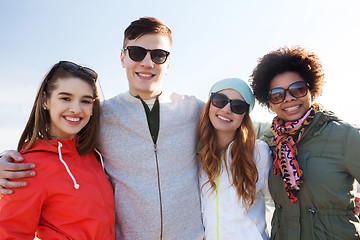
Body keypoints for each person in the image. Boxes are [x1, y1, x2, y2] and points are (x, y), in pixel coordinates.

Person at [0, 17, 204, 240]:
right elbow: (55, 148)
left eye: (158, 55)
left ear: (168, 62)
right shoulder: (101, 115)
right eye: (137, 52)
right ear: (122, 57)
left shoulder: (195, 111)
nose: (147, 63)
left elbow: (235, 133)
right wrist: (5, 159)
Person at [250, 46, 360, 239]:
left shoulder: (345, 136)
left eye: (297, 89)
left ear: (311, 90)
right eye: (278, 94)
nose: (289, 98)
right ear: (270, 103)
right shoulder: (270, 143)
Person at [0, 61, 115, 239]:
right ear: (46, 101)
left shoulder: (96, 155)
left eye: (85, 101)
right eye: (65, 98)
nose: (76, 109)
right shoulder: (28, 167)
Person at [199, 78, 272, 240]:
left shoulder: (258, 152)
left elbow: (279, 203)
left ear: (244, 116)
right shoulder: (199, 155)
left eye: (237, 106)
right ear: (210, 103)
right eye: (220, 100)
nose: (226, 109)